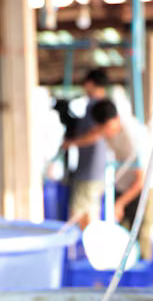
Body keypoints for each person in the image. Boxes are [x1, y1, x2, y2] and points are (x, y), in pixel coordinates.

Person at [61, 68, 143, 229]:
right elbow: (93, 135)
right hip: (123, 184)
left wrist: (119, 203)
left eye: (103, 129)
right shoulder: (106, 121)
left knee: (139, 232)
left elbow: (141, 181)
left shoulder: (130, 138)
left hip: (140, 186)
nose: (102, 134)